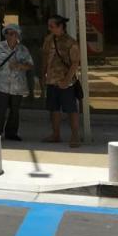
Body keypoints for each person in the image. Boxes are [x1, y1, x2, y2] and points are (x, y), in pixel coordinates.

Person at [0, 24, 33, 141]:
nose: (9, 36)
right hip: (2, 84)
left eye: (11, 33)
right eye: (7, 33)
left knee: (14, 110)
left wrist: (19, 65)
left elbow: (30, 65)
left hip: (17, 86)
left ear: (17, 35)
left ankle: (11, 133)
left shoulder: (23, 49)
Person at [43, 14, 82, 147]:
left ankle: (75, 135)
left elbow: (75, 63)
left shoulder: (71, 42)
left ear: (61, 26)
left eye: (52, 26)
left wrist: (66, 80)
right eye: (49, 26)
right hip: (51, 81)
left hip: (66, 82)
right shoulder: (48, 40)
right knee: (53, 109)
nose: (49, 29)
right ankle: (56, 134)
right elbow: (45, 57)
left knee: (71, 109)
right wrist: (43, 74)